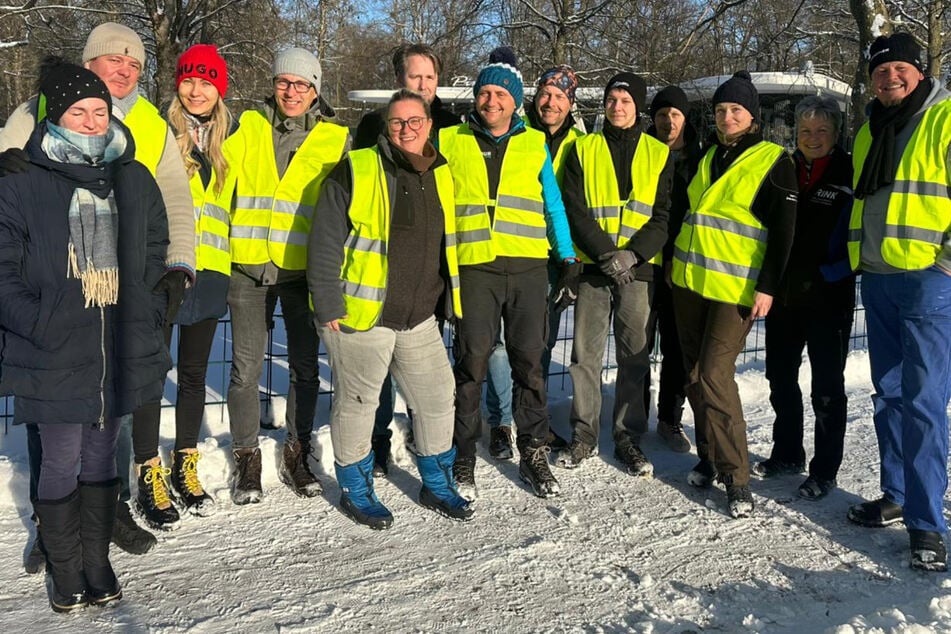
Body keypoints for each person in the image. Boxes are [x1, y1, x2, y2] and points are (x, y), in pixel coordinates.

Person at [0, 22, 196, 559]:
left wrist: (178, 265)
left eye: (134, 64)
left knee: (120, 409)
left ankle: (112, 512)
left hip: (124, 290)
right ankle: (51, 523)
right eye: (114, 61)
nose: (125, 70)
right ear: (90, 64)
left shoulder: (151, 125)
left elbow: (174, 198)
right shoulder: (37, 110)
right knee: (54, 416)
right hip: (57, 294)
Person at [309, 89, 473, 528]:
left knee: (438, 398)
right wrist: (327, 301)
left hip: (419, 317)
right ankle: (357, 488)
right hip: (363, 316)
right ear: (387, 127)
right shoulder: (358, 167)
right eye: (397, 122)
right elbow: (325, 238)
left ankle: (436, 482)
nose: (406, 129)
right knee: (358, 403)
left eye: (414, 121)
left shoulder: (441, 172)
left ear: (429, 124)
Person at [440, 61, 580, 500]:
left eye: (501, 94)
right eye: (484, 93)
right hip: (475, 268)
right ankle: (463, 453)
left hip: (526, 269)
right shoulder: (450, 140)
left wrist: (568, 254)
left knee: (529, 365)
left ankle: (533, 451)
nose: (491, 101)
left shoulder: (535, 143)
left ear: (516, 101)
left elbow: (552, 204)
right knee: (471, 364)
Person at [845, 32, 951, 572]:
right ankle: (897, 494)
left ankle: (928, 524)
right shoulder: (868, 131)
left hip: (929, 280)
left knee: (925, 401)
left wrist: (946, 263)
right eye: (880, 72)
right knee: (886, 394)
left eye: (899, 69)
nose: (890, 78)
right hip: (879, 278)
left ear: (918, 70)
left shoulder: (944, 118)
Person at [670, 71, 797, 518]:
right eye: (722, 110)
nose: (727, 116)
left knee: (714, 376)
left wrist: (768, 287)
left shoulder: (772, 160)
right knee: (692, 374)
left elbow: (784, 233)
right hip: (690, 283)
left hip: (734, 289)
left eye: (736, 110)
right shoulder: (707, 157)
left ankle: (737, 477)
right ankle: (709, 455)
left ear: (753, 117)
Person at [225, 47, 350, 504]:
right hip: (248, 267)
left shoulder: (336, 139)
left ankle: (297, 451)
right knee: (245, 370)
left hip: (302, 272)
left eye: (302, 84)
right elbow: (218, 176)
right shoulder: (248, 126)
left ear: (316, 90)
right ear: (273, 85)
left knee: (303, 368)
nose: (292, 91)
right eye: (284, 82)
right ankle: (246, 458)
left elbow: (344, 206)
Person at [127, 44, 237, 529]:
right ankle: (147, 469)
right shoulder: (158, 132)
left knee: (194, 375)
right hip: (166, 270)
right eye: (189, 80)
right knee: (153, 372)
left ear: (220, 90)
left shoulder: (228, 143)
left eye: (207, 81)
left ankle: (185, 462)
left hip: (212, 273)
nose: (196, 89)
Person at [556, 73, 672, 476]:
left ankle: (628, 436)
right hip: (593, 268)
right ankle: (583, 435)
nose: (617, 106)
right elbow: (573, 206)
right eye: (611, 99)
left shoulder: (659, 153)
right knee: (584, 356)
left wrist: (633, 255)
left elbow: (663, 216)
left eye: (625, 100)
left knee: (634, 356)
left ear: (638, 107)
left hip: (637, 272)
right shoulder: (582, 148)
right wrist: (607, 253)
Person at [353, 43, 460, 477]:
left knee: (427, 371)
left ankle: (426, 439)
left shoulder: (452, 128)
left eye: (430, 78)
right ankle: (376, 443)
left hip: (432, 271)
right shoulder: (371, 127)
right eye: (415, 77)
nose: (423, 85)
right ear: (400, 79)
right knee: (377, 372)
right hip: (382, 271)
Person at [753, 95, 855, 501]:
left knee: (827, 387)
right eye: (806, 131)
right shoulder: (785, 168)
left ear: (835, 134)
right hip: (785, 294)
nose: (813, 138)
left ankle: (824, 469)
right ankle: (788, 452)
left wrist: (834, 271)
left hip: (830, 294)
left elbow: (858, 233)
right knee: (780, 377)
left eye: (822, 131)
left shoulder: (850, 171)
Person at [644, 85, 702, 454]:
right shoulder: (643, 154)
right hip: (643, 260)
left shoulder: (700, 159)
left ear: (685, 119)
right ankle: (631, 418)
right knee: (638, 343)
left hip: (682, 263)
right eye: (662, 115)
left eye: (675, 115)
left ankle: (670, 418)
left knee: (678, 348)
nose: (668, 121)